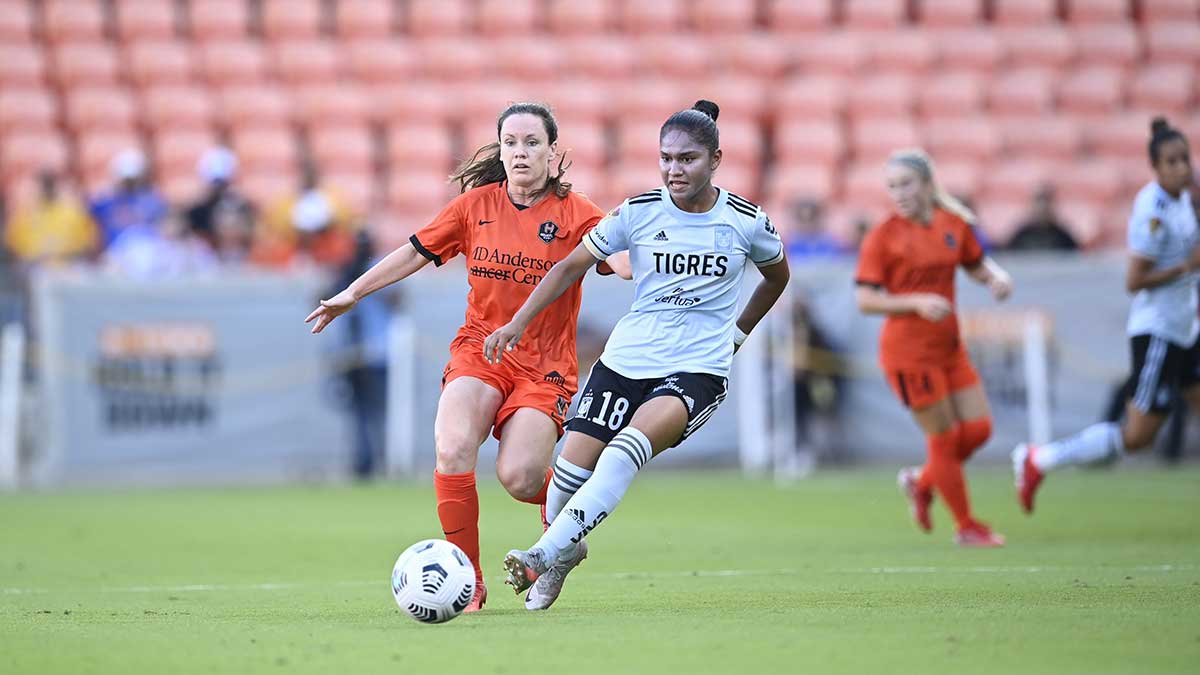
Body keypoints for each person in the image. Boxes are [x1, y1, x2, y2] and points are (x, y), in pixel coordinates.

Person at [305, 102, 630, 612]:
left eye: (531, 143)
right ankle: (468, 579)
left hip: (544, 365)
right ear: (500, 150)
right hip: (481, 351)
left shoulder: (579, 213)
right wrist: (353, 292)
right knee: (453, 446)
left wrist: (647, 258)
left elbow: (621, 261)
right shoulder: (476, 205)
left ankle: (565, 532)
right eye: (511, 143)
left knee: (520, 477)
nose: (520, 152)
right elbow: (415, 250)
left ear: (552, 150)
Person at [485, 100, 790, 608]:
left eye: (688, 159)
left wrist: (736, 336)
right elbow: (567, 268)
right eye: (666, 158)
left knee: (625, 450)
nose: (674, 169)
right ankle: (564, 557)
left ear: (716, 159)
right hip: (626, 360)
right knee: (568, 473)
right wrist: (519, 321)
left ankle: (540, 556)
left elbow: (777, 277)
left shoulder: (746, 221)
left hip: (696, 368)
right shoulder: (639, 211)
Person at [1013, 117, 1199, 511]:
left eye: (1186, 158)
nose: (1184, 167)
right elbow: (1135, 280)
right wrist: (1187, 267)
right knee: (1137, 438)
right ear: (1157, 167)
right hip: (1160, 332)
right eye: (1174, 161)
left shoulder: (1184, 197)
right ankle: (1039, 459)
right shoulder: (1152, 211)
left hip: (1186, 327)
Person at [855, 149, 1014, 547]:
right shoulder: (883, 236)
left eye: (906, 184)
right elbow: (866, 299)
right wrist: (915, 301)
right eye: (892, 186)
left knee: (978, 430)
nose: (899, 193)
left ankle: (922, 481)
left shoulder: (953, 223)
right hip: (909, 354)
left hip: (949, 347)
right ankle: (966, 526)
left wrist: (995, 277)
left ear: (927, 185)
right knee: (942, 441)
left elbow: (974, 262)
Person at [4, 170, 98, 268]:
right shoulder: (24, 215)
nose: (47, 189)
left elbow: (88, 244)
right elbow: (13, 248)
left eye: (50, 185)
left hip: (69, 268)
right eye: (44, 185)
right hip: (34, 270)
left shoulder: (74, 212)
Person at [88, 149, 168, 248]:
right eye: (127, 180)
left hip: (148, 248)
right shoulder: (105, 202)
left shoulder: (153, 201)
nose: (130, 184)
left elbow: (163, 228)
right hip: (115, 252)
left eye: (133, 180)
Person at [184, 146, 254, 249]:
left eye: (223, 184)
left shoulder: (244, 208)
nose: (219, 189)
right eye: (216, 183)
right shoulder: (196, 212)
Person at [1006, 184, 1079, 252]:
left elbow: (1074, 258)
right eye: (1039, 202)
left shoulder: (1063, 236)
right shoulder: (1021, 236)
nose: (1042, 208)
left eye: (1046, 202)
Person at [784, 197, 848, 259]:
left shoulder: (829, 242)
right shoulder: (790, 244)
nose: (807, 225)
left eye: (811, 219)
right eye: (803, 219)